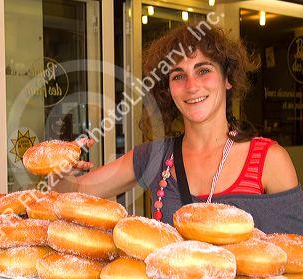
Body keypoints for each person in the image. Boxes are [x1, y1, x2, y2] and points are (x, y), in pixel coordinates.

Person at [50, 23, 303, 234]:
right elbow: (74, 192)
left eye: (203, 70)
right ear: (167, 89)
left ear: (228, 79)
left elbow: (294, 260)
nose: (192, 86)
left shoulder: (269, 160)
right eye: (178, 76)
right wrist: (60, 171)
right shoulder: (155, 157)